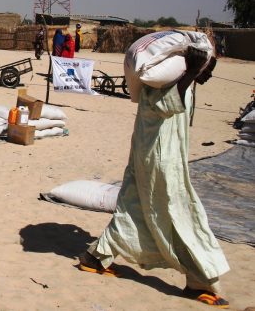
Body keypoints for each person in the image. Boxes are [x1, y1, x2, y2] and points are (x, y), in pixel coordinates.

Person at [79, 49, 230, 308]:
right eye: (207, 70)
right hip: (160, 160)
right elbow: (165, 105)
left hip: (148, 155)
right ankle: (199, 282)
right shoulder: (164, 83)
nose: (208, 76)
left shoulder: (176, 79)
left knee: (131, 208)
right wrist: (192, 72)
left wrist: (194, 75)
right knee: (180, 214)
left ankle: (96, 256)